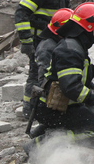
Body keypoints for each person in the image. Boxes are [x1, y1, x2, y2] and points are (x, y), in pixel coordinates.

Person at [25, 3, 94, 154]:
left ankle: (49, 132)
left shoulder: (75, 47)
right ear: (89, 27)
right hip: (52, 108)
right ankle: (41, 144)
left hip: (60, 105)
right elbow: (71, 88)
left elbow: (80, 81)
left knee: (90, 117)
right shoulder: (70, 50)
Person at [14, 0, 70, 119]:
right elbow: (21, 14)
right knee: (36, 74)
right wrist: (26, 41)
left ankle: (46, 106)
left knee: (49, 73)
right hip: (39, 40)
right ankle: (29, 108)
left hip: (54, 38)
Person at [28, 8, 73, 139]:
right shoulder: (47, 48)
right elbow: (45, 78)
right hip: (48, 100)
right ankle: (37, 143)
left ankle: (40, 134)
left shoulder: (55, 43)